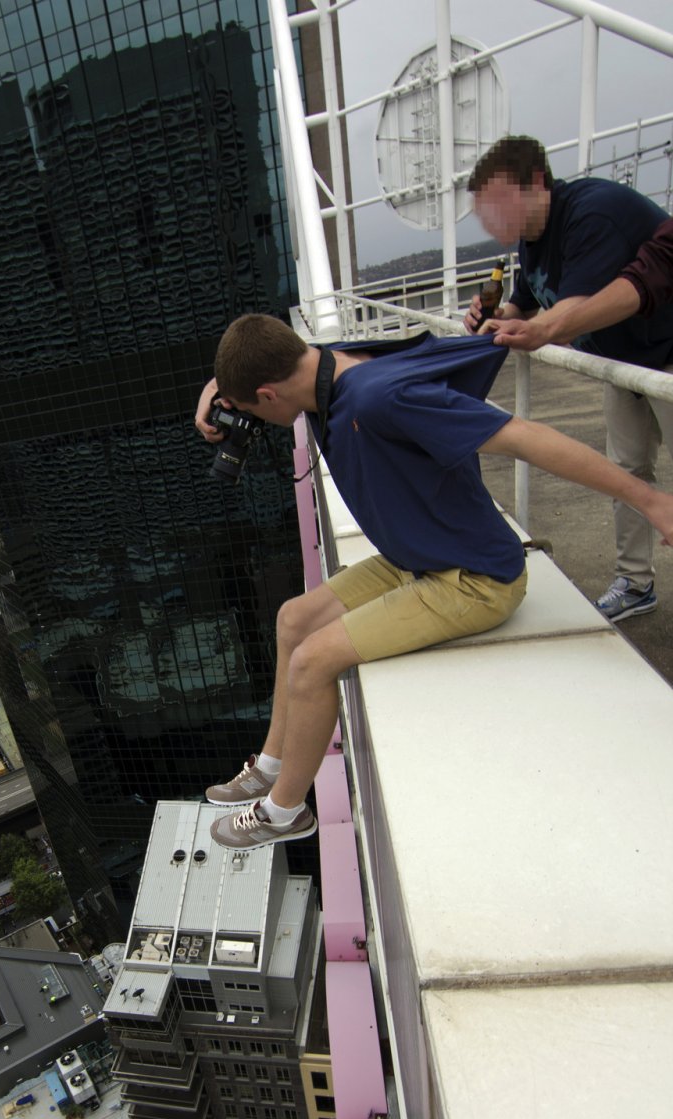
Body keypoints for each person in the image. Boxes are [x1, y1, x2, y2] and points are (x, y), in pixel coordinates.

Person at [194, 313, 673, 851]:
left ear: (268, 392)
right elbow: (258, 359)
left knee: (313, 660)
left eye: (254, 406)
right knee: (292, 619)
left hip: (474, 579)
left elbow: (525, 439)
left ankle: (285, 811)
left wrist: (652, 501)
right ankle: (272, 764)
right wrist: (216, 391)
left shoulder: (380, 397)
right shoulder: (327, 363)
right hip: (415, 556)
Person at [464, 135, 673, 621]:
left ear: (537, 182)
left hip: (665, 356)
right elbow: (530, 300)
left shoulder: (591, 212)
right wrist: (491, 314)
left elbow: (573, 309)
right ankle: (636, 582)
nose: (491, 217)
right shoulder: (530, 241)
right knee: (627, 470)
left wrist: (537, 329)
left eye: (498, 201)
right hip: (622, 365)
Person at [488, 215, 673, 349]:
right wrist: (494, 320)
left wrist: (547, 329)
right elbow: (521, 306)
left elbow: (649, 275)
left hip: (660, 350)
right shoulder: (530, 247)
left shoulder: (588, 218)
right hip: (623, 359)